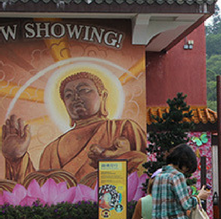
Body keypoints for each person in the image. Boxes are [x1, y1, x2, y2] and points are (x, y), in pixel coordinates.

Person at [2, 71, 147, 185]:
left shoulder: (123, 129)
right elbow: (38, 193)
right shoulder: (51, 150)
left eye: (84, 90)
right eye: (69, 95)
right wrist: (16, 159)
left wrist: (114, 160)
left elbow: (144, 172)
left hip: (109, 209)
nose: (76, 97)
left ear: (102, 96)